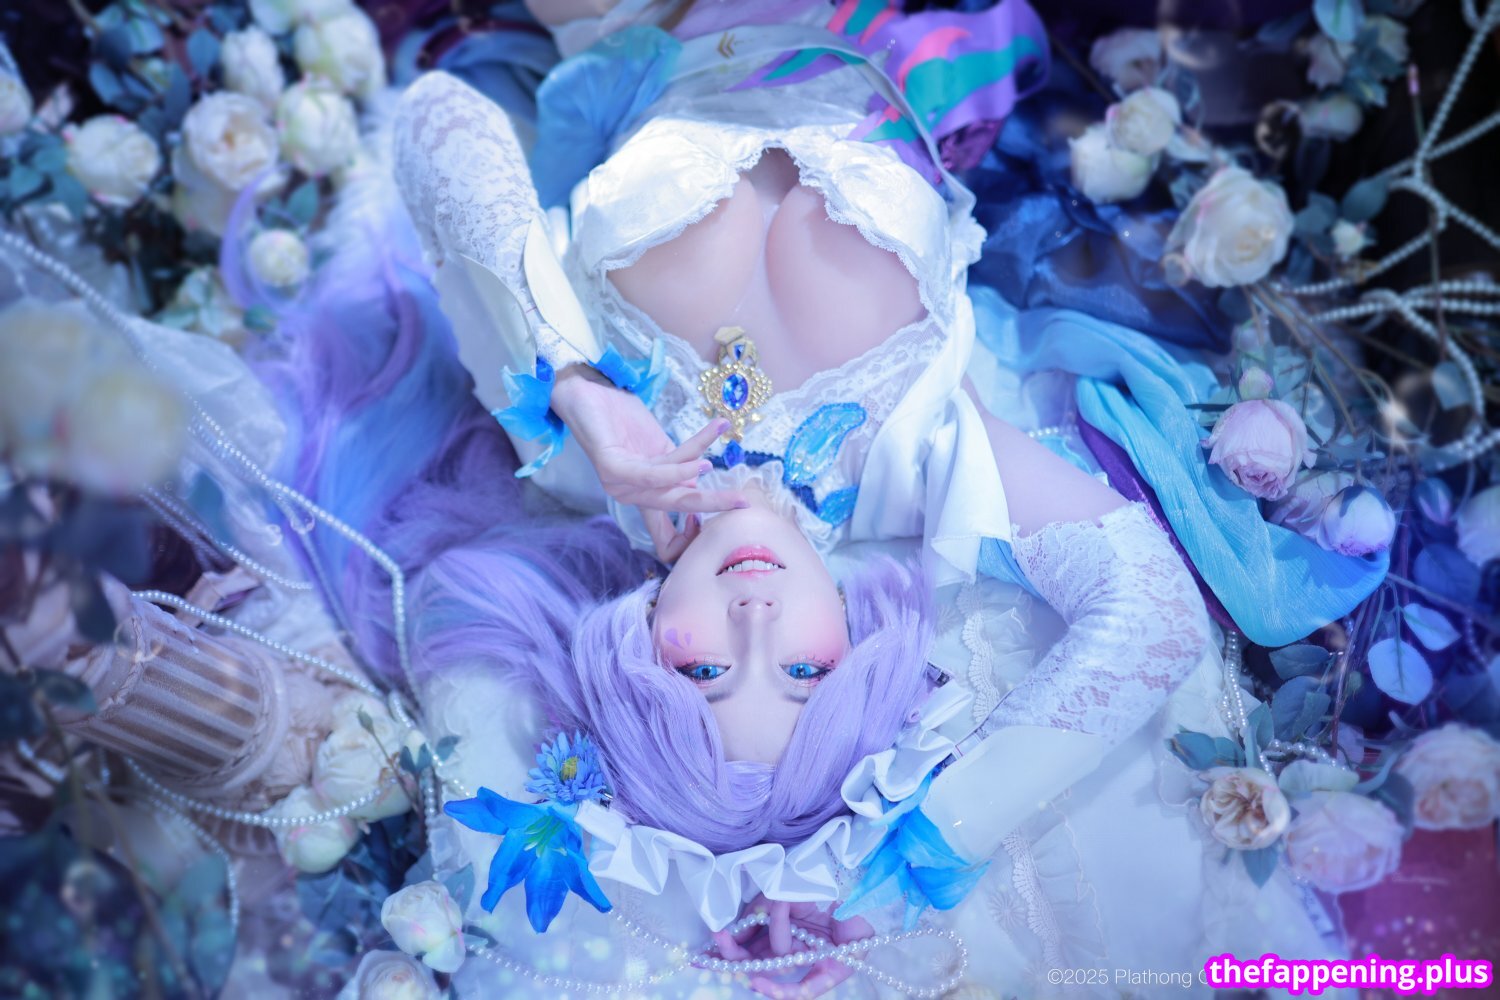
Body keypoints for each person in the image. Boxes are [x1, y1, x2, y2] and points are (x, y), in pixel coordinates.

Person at [386, 3, 1356, 996]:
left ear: (638, 647)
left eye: (705, 670)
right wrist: (944, 834)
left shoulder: (581, 459)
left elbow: (434, 121)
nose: (755, 615)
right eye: (804, 670)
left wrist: (575, 383)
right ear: (857, 654)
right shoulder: (917, 470)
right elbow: (1151, 612)